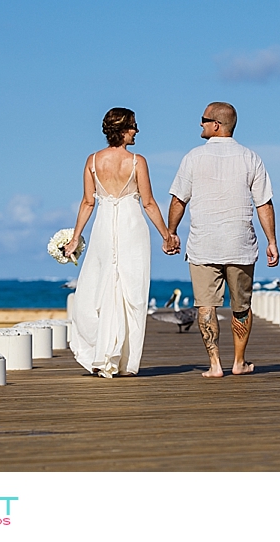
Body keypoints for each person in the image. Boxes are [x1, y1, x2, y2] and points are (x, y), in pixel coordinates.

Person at [63, 107, 179, 378]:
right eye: (134, 126)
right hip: (131, 227)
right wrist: (166, 235)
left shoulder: (92, 161)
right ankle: (124, 362)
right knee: (131, 292)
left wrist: (75, 238)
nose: (137, 131)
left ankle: (101, 354)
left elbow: (87, 202)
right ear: (124, 129)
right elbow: (148, 202)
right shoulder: (137, 161)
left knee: (99, 286)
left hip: (103, 226)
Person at [167, 102, 279, 378]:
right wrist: (272, 241)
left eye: (204, 120)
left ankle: (215, 364)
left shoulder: (193, 157)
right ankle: (239, 362)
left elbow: (179, 199)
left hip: (203, 243)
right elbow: (264, 204)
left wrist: (172, 232)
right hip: (240, 244)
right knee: (241, 307)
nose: (200, 124)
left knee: (206, 306)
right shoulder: (251, 157)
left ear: (216, 125)